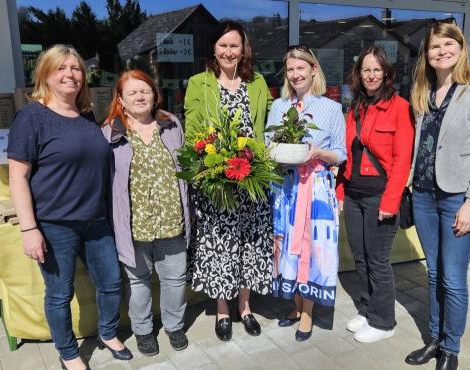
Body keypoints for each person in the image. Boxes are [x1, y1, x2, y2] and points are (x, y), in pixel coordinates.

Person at [7, 45, 132, 370]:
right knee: (60, 294)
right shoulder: (31, 117)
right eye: (61, 68)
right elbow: (18, 177)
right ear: (45, 74)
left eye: (76, 69)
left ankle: (107, 333)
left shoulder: (87, 115)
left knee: (110, 283)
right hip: (54, 225)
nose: (70, 75)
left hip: (96, 220)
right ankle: (68, 353)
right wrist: (29, 228)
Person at [405, 22, 470, 370]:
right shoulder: (424, 91)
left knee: (452, 278)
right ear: (426, 55)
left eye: (448, 44)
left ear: (461, 48)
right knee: (433, 274)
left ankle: (451, 349)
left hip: (458, 198)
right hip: (425, 195)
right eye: (434, 47)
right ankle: (434, 339)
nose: (441, 51)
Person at [183, 20, 273, 342]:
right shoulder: (199, 83)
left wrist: (258, 159)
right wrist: (210, 165)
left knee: (250, 244)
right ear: (213, 48)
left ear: (243, 49)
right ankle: (223, 309)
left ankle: (245, 306)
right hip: (217, 183)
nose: (228, 51)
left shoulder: (259, 82)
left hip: (253, 183)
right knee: (221, 246)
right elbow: (193, 131)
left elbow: (265, 128)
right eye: (222, 45)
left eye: (234, 45)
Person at [102, 70, 191, 357]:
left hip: (171, 219)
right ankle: (142, 330)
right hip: (134, 224)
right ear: (120, 99)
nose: (140, 97)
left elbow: (186, 166)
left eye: (145, 91)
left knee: (175, 278)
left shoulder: (171, 124)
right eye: (132, 93)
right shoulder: (111, 132)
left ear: (155, 95)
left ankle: (174, 325)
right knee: (139, 282)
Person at [266, 45, 346, 342]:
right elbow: (267, 143)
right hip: (285, 189)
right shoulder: (278, 106)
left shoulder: (331, 108)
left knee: (310, 248)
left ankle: (309, 312)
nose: (296, 74)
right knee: (287, 246)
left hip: (314, 190)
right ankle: (296, 306)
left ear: (314, 70)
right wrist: (273, 152)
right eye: (290, 69)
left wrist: (318, 152)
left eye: (301, 68)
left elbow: (341, 153)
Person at [336, 45, 414, 344]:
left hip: (380, 196)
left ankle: (384, 322)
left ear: (386, 73)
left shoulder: (400, 107)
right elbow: (348, 156)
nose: (370, 75)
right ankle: (367, 309)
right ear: (359, 74)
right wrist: (341, 191)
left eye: (376, 70)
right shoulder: (355, 107)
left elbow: (402, 160)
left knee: (378, 260)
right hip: (354, 196)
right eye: (365, 70)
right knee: (360, 258)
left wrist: (390, 202)